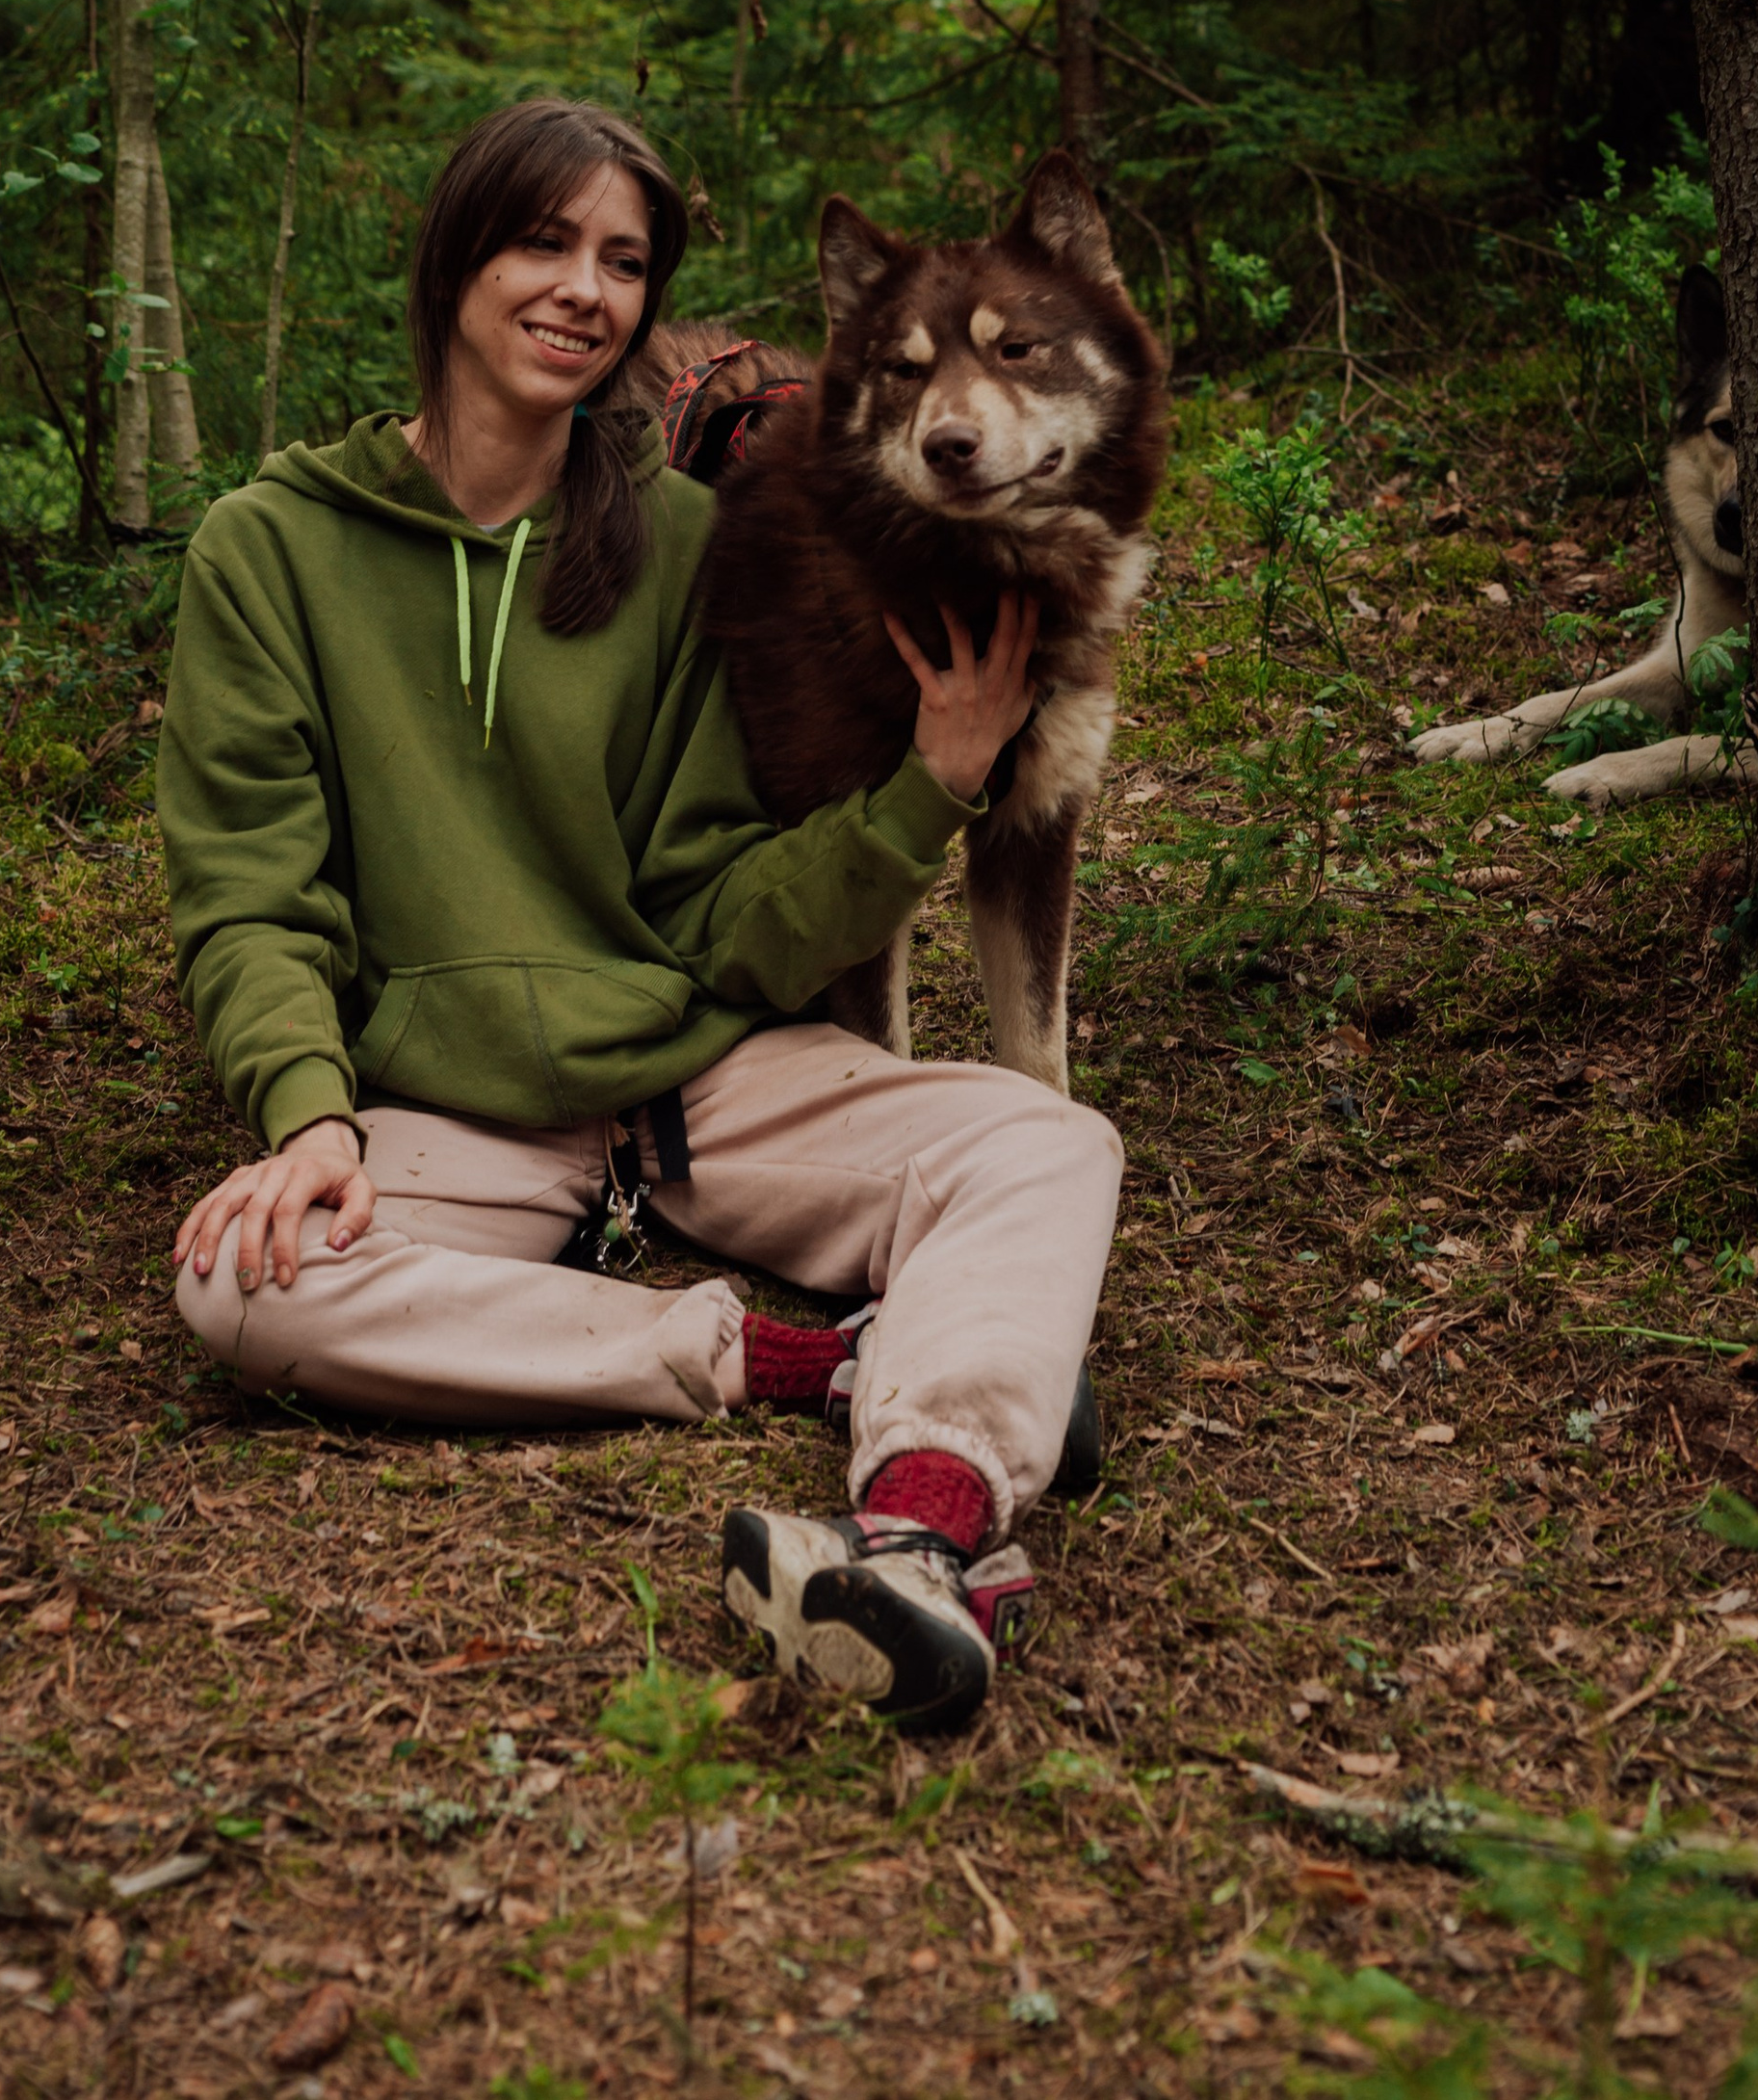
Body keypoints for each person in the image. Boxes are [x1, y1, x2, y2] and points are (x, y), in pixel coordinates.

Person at [162, 95, 1123, 1737]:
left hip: (698, 1081)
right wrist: (307, 1115)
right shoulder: (273, 551)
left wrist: (934, 785)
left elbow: (717, 898)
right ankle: (791, 1363)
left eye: (623, 260)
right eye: (545, 242)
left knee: (1050, 1144)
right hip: (451, 1110)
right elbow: (252, 894)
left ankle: (918, 1523)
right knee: (240, 1289)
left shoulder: (679, 540)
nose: (583, 290)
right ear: (456, 253)